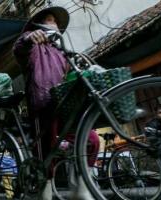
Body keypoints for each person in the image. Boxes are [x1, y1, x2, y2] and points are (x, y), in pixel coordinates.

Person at [13, 6, 100, 200]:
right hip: (43, 103)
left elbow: (67, 76)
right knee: (46, 149)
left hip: (65, 104)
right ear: (39, 24)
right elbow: (19, 48)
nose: (54, 24)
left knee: (90, 139)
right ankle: (45, 193)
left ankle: (81, 188)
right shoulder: (32, 45)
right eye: (50, 20)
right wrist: (29, 37)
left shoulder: (61, 51)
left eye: (55, 22)